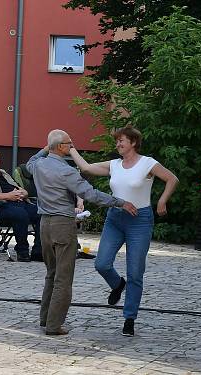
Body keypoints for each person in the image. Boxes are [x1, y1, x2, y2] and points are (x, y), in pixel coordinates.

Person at [69, 125, 178, 336]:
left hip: (140, 220)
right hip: (115, 219)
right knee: (101, 263)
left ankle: (129, 317)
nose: (118, 144)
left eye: (121, 141)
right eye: (117, 141)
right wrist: (71, 148)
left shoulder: (148, 163)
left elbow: (172, 179)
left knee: (135, 272)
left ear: (133, 143)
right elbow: (87, 168)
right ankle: (117, 284)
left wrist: (162, 201)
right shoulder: (114, 165)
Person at [27, 129, 137, 336]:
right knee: (63, 278)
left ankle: (45, 319)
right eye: (69, 143)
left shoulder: (38, 165)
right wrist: (120, 202)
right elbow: (91, 194)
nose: (71, 147)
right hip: (62, 225)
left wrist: (47, 147)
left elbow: (32, 159)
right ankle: (53, 325)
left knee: (51, 274)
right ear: (60, 147)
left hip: (44, 225)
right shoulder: (66, 171)